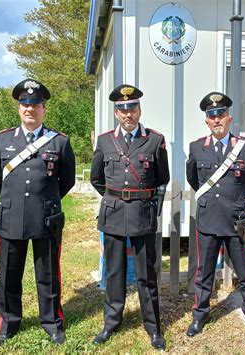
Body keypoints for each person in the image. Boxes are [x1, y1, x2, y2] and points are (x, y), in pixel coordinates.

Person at [0, 78, 76, 346]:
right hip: (11, 216)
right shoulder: (2, 140)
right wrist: (13, 200)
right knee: (8, 274)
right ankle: (9, 323)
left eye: (35, 104)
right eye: (25, 104)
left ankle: (51, 323)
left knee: (47, 274)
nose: (30, 109)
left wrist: (45, 200)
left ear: (43, 109)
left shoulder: (59, 142)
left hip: (46, 218)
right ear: (19, 109)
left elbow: (67, 180)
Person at [90, 84, 170, 350]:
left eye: (132, 108)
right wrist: (115, 197)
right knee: (114, 272)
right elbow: (97, 179)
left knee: (147, 274)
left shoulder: (154, 140)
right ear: (116, 112)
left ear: (139, 109)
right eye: (123, 109)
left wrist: (137, 198)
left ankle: (153, 327)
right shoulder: (104, 141)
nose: (128, 114)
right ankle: (111, 323)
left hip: (142, 214)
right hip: (113, 214)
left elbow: (162, 177)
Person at [185, 92, 245, 340]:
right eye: (212, 115)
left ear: (229, 118)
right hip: (208, 221)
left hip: (237, 221)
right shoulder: (197, 147)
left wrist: (235, 200)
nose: (217, 119)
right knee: (204, 273)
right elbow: (194, 179)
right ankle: (200, 315)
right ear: (206, 121)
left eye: (221, 114)